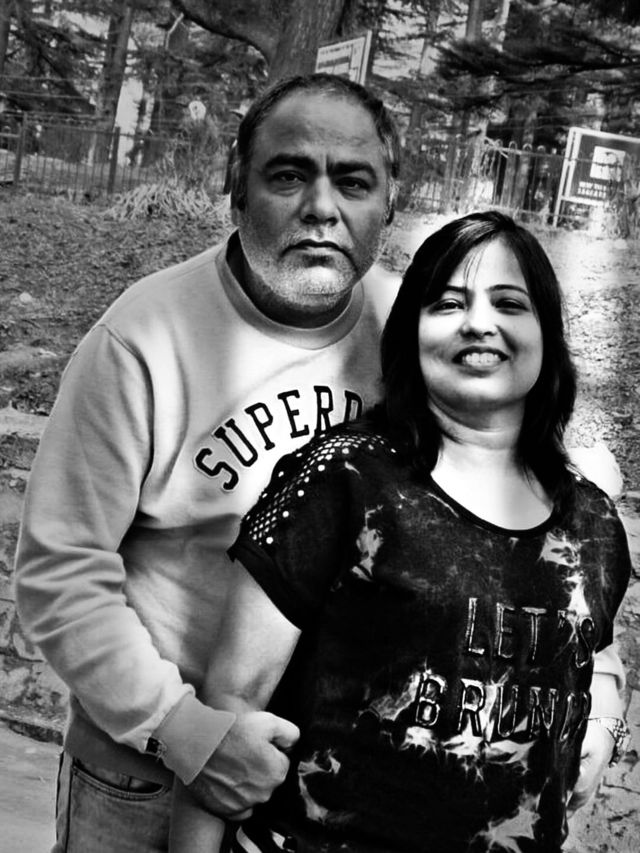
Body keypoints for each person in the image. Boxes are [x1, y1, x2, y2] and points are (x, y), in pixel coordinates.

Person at [14, 72, 401, 852]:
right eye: (288, 175)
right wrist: (187, 732)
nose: (321, 207)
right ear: (235, 187)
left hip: (332, 790)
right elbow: (61, 569)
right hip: (146, 774)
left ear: (390, 202)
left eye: (354, 182)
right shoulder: (142, 340)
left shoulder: (413, 337)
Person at [172, 211, 632, 853]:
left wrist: (606, 721)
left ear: (546, 336)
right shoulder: (344, 479)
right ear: (412, 333)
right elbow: (230, 708)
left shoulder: (593, 523)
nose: (479, 323)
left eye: (509, 303)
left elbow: (593, 661)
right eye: (449, 303)